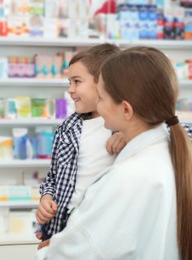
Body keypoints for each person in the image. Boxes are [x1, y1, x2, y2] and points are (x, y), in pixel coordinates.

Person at [37, 46, 192, 259]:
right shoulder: (167, 152)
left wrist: (51, 250)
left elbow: (84, 248)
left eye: (101, 97)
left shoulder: (128, 175)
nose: (99, 108)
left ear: (126, 109)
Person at [35, 43, 124, 248]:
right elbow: (54, 177)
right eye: (69, 82)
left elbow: (175, 130)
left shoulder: (126, 124)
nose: (70, 90)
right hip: (66, 220)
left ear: (104, 83)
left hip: (105, 221)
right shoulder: (67, 128)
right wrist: (46, 198)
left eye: (77, 82)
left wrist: (130, 135)